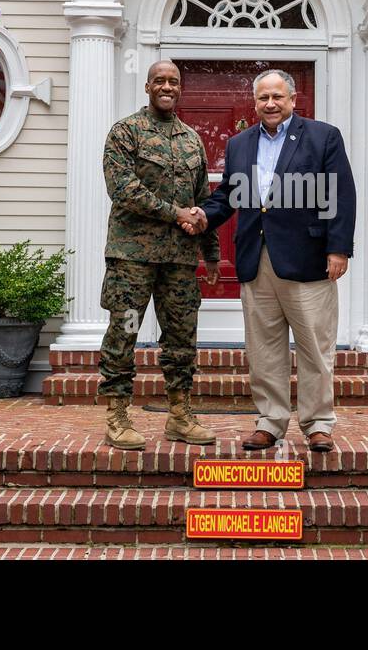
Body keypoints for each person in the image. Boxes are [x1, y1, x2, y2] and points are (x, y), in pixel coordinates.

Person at [182, 68, 355, 452]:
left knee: (314, 346)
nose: (271, 104)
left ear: (292, 99)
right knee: (263, 348)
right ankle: (270, 421)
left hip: (308, 259)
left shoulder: (323, 136)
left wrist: (338, 248)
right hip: (255, 259)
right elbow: (230, 193)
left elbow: (340, 194)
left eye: (278, 97)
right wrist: (205, 216)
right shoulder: (240, 143)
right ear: (255, 102)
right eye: (263, 98)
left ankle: (317, 424)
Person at [98, 60, 219, 450]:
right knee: (125, 333)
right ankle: (117, 415)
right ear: (148, 86)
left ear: (180, 89)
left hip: (180, 261)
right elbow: (123, 189)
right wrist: (174, 213)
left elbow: (202, 201)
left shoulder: (190, 140)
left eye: (174, 82)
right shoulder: (125, 133)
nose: (167, 87)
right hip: (132, 258)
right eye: (160, 81)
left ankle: (180, 416)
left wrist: (211, 251)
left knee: (182, 338)